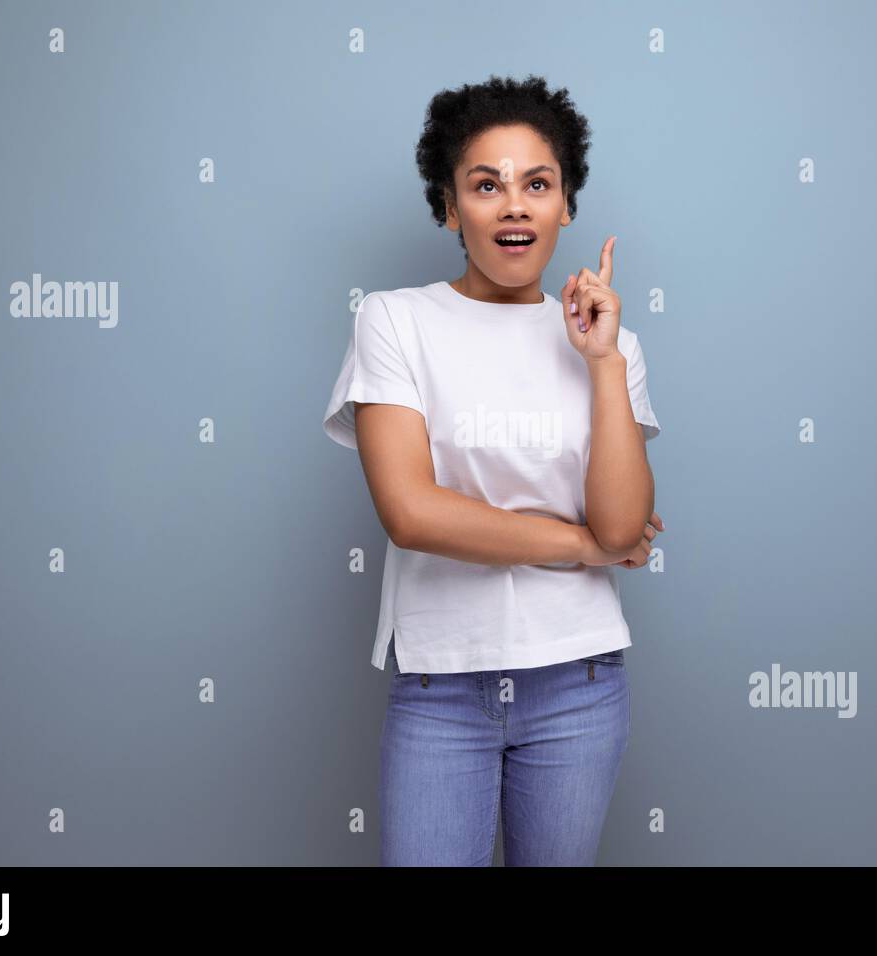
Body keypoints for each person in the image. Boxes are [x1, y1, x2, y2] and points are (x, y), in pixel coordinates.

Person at [322, 74, 663, 866]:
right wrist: (580, 545)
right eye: (486, 185)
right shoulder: (394, 320)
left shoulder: (611, 344)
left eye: (537, 184)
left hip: (578, 679)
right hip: (441, 684)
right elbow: (412, 514)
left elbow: (622, 527)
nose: (515, 205)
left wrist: (604, 363)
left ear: (565, 205)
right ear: (450, 207)